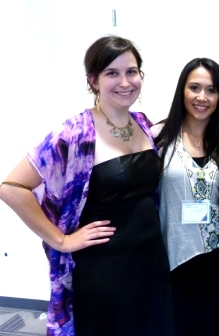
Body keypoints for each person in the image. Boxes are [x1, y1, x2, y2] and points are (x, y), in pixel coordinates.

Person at [0, 35, 174, 336]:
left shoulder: (143, 124)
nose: (125, 81)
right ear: (93, 80)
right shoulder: (75, 133)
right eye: (112, 73)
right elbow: (12, 187)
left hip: (150, 262)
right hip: (104, 269)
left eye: (131, 71)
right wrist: (61, 240)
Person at [152, 58, 219, 336]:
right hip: (177, 253)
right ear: (182, 91)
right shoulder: (159, 137)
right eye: (195, 88)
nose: (202, 97)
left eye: (211, 90)